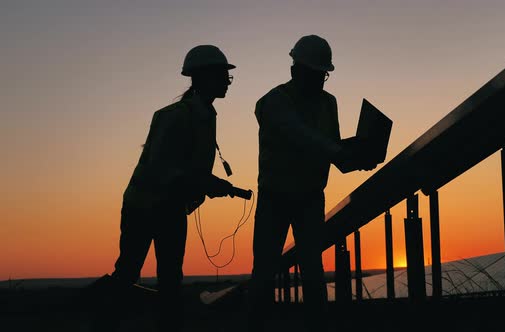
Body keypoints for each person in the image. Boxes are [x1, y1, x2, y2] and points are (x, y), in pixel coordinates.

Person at [87, 44, 237, 332]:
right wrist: (207, 183)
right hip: (144, 206)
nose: (226, 83)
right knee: (130, 271)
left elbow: (186, 167)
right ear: (203, 77)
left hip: (170, 206)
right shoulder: (176, 115)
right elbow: (163, 167)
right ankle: (105, 322)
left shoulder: (205, 114)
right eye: (222, 76)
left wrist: (206, 183)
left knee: (169, 277)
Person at [247, 34, 376, 332]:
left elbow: (329, 146)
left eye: (323, 75)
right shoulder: (272, 102)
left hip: (309, 198)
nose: (320, 81)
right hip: (275, 199)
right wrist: (341, 154)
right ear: (295, 70)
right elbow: (300, 136)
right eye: (315, 74)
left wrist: (357, 154)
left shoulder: (328, 103)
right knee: (264, 271)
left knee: (313, 273)